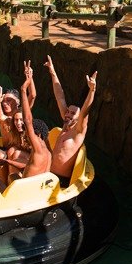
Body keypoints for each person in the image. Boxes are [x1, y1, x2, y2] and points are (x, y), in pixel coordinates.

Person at [45, 55, 97, 187]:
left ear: (79, 118)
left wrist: (92, 90)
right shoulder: (66, 123)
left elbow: (85, 111)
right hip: (48, 174)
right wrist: (52, 71)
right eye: (68, 111)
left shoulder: (78, 131)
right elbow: (60, 96)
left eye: (73, 113)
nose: (67, 114)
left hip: (61, 181)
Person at [17, 62, 52, 179]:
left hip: (27, 188)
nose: (26, 135)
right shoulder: (48, 152)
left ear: (38, 134)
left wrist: (23, 90)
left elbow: (27, 120)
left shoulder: (38, 147)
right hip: (39, 186)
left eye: (28, 133)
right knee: (13, 176)